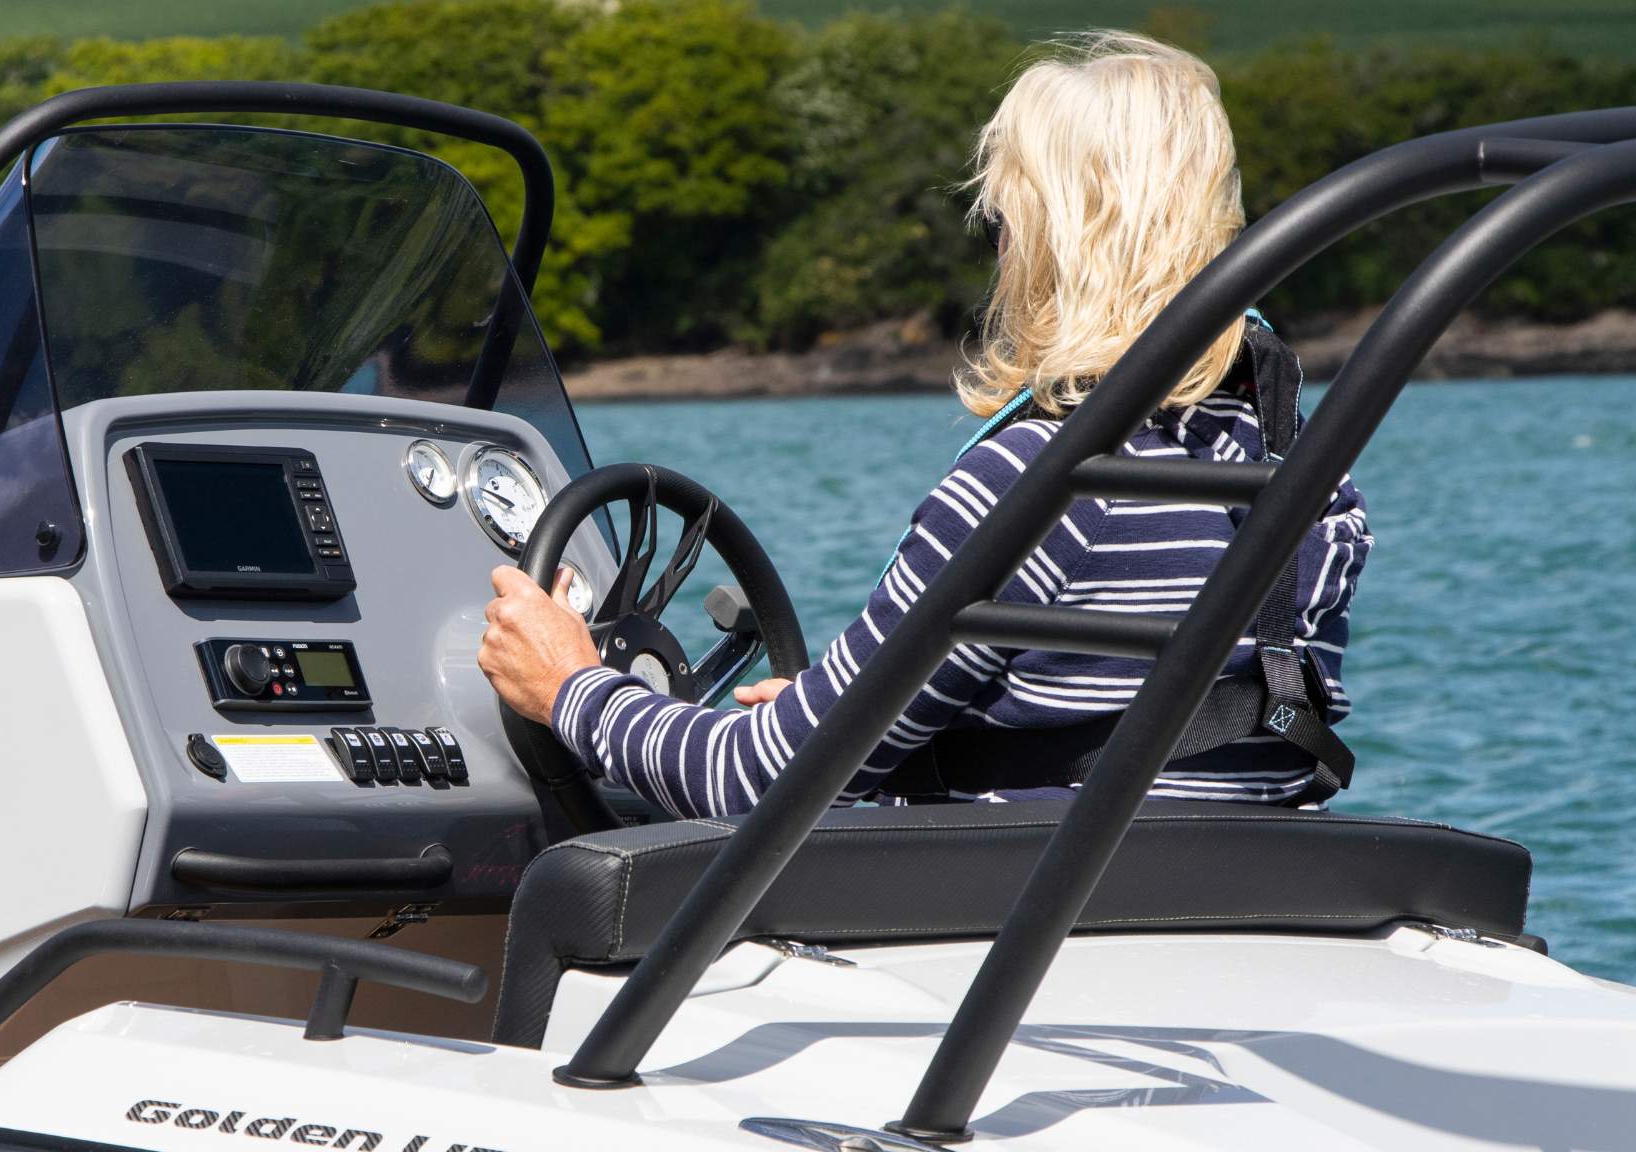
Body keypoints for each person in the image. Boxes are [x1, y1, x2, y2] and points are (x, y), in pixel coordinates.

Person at [478, 31, 1372, 817]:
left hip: (1030, 935)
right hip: (1231, 899)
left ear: (1046, 242)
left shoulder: (1047, 482)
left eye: (1002, 225)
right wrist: (862, 723)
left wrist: (570, 687)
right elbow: (1124, 735)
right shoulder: (1304, 475)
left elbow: (760, 784)